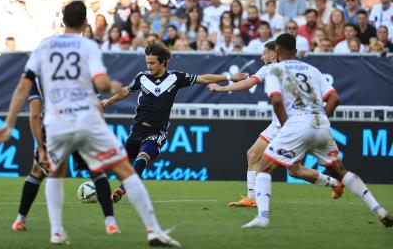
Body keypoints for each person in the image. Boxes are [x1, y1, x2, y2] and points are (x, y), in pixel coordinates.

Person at [0, 1, 181, 247]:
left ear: (63, 21)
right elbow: (100, 82)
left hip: (57, 122)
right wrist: (110, 86)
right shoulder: (88, 45)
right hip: (86, 120)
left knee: (56, 173)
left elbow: (23, 86)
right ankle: (153, 230)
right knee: (124, 169)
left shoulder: (43, 47)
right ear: (85, 23)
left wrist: (8, 123)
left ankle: (57, 232)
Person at [242, 33, 393, 229]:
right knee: (340, 171)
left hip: (296, 124)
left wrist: (287, 124)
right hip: (320, 124)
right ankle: (379, 209)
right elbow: (334, 98)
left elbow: (277, 100)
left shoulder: (275, 70)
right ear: (296, 51)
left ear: (277, 51)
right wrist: (321, 119)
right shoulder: (312, 69)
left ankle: (262, 217)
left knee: (263, 168)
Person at [101, 42, 248, 204]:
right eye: (147, 63)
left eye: (152, 63)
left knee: (143, 157)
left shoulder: (175, 78)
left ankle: (122, 189)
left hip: (157, 132)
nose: (149, 66)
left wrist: (229, 77)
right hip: (137, 131)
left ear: (163, 62)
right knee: (119, 161)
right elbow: (124, 91)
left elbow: (203, 78)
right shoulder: (142, 78)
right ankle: (100, 184)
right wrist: (107, 102)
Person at [207, 41, 343, 207]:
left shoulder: (292, 69)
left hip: (294, 126)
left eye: (264, 53)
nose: (261, 56)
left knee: (294, 171)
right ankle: (252, 198)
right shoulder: (267, 69)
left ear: (272, 54)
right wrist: (223, 88)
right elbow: (250, 82)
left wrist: (221, 89)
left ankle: (334, 183)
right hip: (277, 125)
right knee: (253, 155)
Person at [11, 78, 120, 235]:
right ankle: (111, 223)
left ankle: (21, 221)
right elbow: (97, 108)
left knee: (38, 172)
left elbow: (34, 116)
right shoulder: (83, 71)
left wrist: (41, 148)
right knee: (97, 171)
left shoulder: (39, 76)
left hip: (55, 130)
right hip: (83, 128)